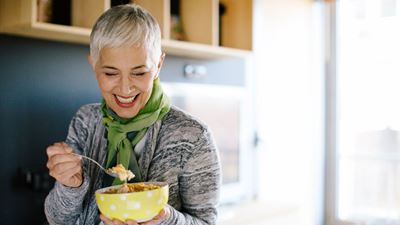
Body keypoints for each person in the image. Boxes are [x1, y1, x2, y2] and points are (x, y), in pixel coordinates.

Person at [44, 4, 221, 225]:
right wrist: (70, 185)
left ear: (158, 65)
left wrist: (166, 220)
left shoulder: (194, 136)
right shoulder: (85, 121)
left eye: (139, 72)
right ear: (93, 64)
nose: (126, 88)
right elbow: (57, 219)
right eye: (110, 72)